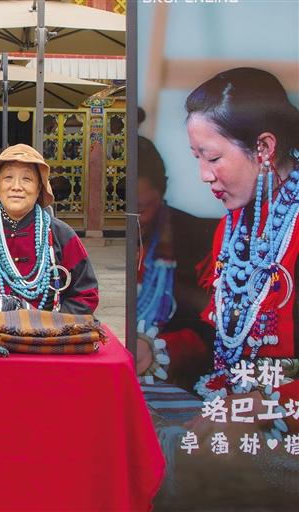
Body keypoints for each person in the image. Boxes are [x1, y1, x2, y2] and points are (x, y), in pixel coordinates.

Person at [154, 67, 299, 509]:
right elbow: (221, 336)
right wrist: (158, 351)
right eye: (196, 157)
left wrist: (264, 403)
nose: (203, 174)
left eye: (212, 157)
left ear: (264, 148)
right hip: (235, 406)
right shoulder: (232, 230)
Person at [0, 144, 99, 314]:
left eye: (27, 179)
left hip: (49, 329)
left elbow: (86, 295)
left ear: (39, 188)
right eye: (8, 177)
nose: (16, 186)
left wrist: (50, 323)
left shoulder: (61, 235)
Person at [135, 129, 218, 390]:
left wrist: (161, 350)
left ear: (162, 190)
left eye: (140, 210)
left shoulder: (200, 239)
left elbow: (218, 328)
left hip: (177, 381)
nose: (132, 221)